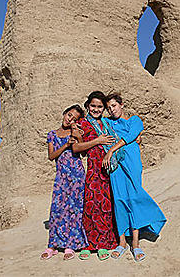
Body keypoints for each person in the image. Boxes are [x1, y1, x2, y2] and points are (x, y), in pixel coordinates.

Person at [102, 93, 167, 262]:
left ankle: (136, 244)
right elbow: (93, 122)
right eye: (109, 108)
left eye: (114, 106)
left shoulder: (135, 120)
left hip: (132, 163)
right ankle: (122, 242)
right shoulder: (108, 123)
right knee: (119, 200)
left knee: (134, 198)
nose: (111, 110)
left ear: (121, 105)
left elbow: (131, 136)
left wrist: (111, 149)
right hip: (116, 167)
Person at [72, 91, 118, 260]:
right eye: (93, 106)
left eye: (100, 106)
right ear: (87, 106)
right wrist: (97, 141)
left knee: (107, 204)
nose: (96, 109)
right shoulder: (82, 124)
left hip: (110, 169)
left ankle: (104, 243)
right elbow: (76, 148)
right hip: (93, 169)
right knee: (91, 204)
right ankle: (88, 243)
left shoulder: (107, 123)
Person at [40, 104, 88, 261]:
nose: (70, 119)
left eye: (74, 118)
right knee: (57, 208)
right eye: (69, 115)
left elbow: (81, 152)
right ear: (64, 113)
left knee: (74, 208)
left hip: (76, 174)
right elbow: (51, 156)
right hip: (62, 176)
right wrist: (66, 145)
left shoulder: (75, 132)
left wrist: (77, 134)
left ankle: (70, 244)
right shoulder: (52, 135)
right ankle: (53, 244)